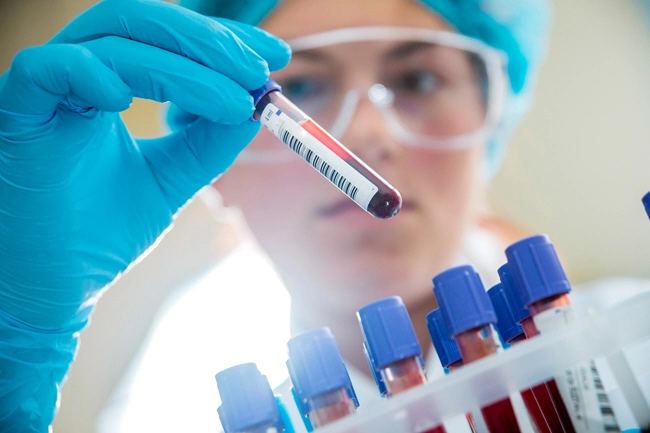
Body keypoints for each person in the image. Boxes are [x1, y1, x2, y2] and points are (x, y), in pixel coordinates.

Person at [8, 0, 621, 431]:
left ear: (492, 126)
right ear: (216, 166)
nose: (363, 134)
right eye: (298, 90)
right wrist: (17, 348)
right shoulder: (162, 419)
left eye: (418, 77)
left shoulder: (627, 346)